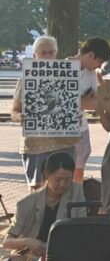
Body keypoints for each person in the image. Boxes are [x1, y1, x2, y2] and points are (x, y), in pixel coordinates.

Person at [11, 36, 79, 192]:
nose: (48, 56)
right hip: (36, 143)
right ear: (34, 55)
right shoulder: (26, 79)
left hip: (64, 142)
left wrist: (75, 117)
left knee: (64, 187)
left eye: (51, 52)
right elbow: (14, 111)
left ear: (56, 54)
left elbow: (73, 107)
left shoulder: (67, 75)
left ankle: (60, 217)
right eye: (43, 52)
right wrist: (20, 117)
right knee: (37, 189)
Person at [2, 152, 85, 261]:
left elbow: (82, 231)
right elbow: (7, 242)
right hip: (33, 257)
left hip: (65, 255)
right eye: (57, 180)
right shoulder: (27, 203)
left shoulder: (76, 192)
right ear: (46, 175)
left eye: (67, 179)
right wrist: (28, 241)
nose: (63, 184)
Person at [72, 36, 110, 184]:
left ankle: (77, 194)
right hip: (66, 129)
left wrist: (84, 102)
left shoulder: (91, 73)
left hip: (81, 125)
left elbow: (95, 100)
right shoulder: (66, 68)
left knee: (80, 162)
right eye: (98, 62)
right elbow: (61, 101)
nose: (98, 66)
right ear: (90, 55)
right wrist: (84, 102)